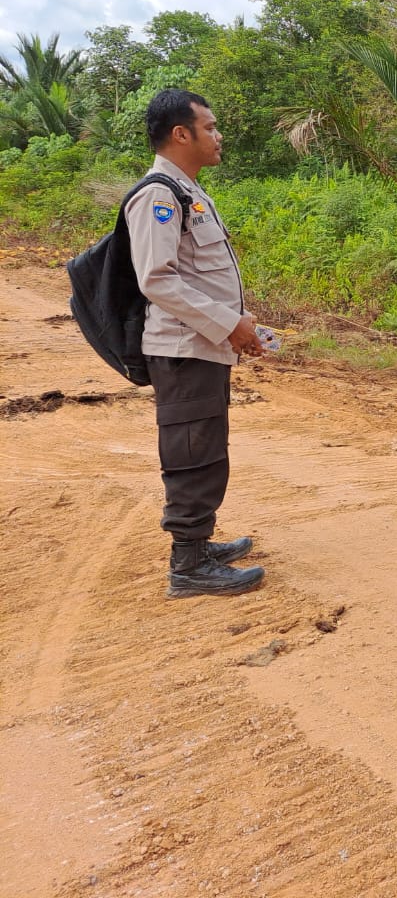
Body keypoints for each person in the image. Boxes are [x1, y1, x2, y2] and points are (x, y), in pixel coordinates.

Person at [126, 88, 266, 598]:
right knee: (190, 452)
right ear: (180, 134)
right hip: (183, 349)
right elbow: (157, 280)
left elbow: (195, 274)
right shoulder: (159, 195)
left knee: (206, 449)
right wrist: (226, 323)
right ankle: (187, 566)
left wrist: (237, 320)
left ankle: (200, 545)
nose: (218, 135)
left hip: (201, 344)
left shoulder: (188, 191)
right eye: (209, 127)